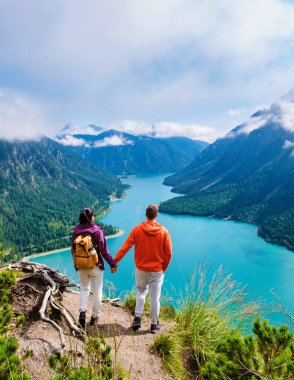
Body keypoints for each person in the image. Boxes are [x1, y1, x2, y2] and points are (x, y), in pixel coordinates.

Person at [114, 204, 172, 333]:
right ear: (156, 215)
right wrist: (164, 268)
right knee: (154, 297)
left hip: (140, 269)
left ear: (146, 215)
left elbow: (125, 247)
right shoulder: (164, 232)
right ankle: (153, 325)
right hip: (157, 270)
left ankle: (137, 318)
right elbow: (168, 253)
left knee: (141, 292)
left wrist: (115, 261)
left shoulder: (137, 229)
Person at [71, 208, 117, 328]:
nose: (94, 217)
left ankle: (82, 313)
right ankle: (94, 317)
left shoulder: (76, 230)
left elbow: (73, 250)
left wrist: (76, 264)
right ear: (91, 218)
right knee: (97, 291)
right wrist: (112, 264)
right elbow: (104, 251)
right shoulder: (96, 230)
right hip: (96, 266)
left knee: (84, 289)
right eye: (93, 215)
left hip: (81, 265)